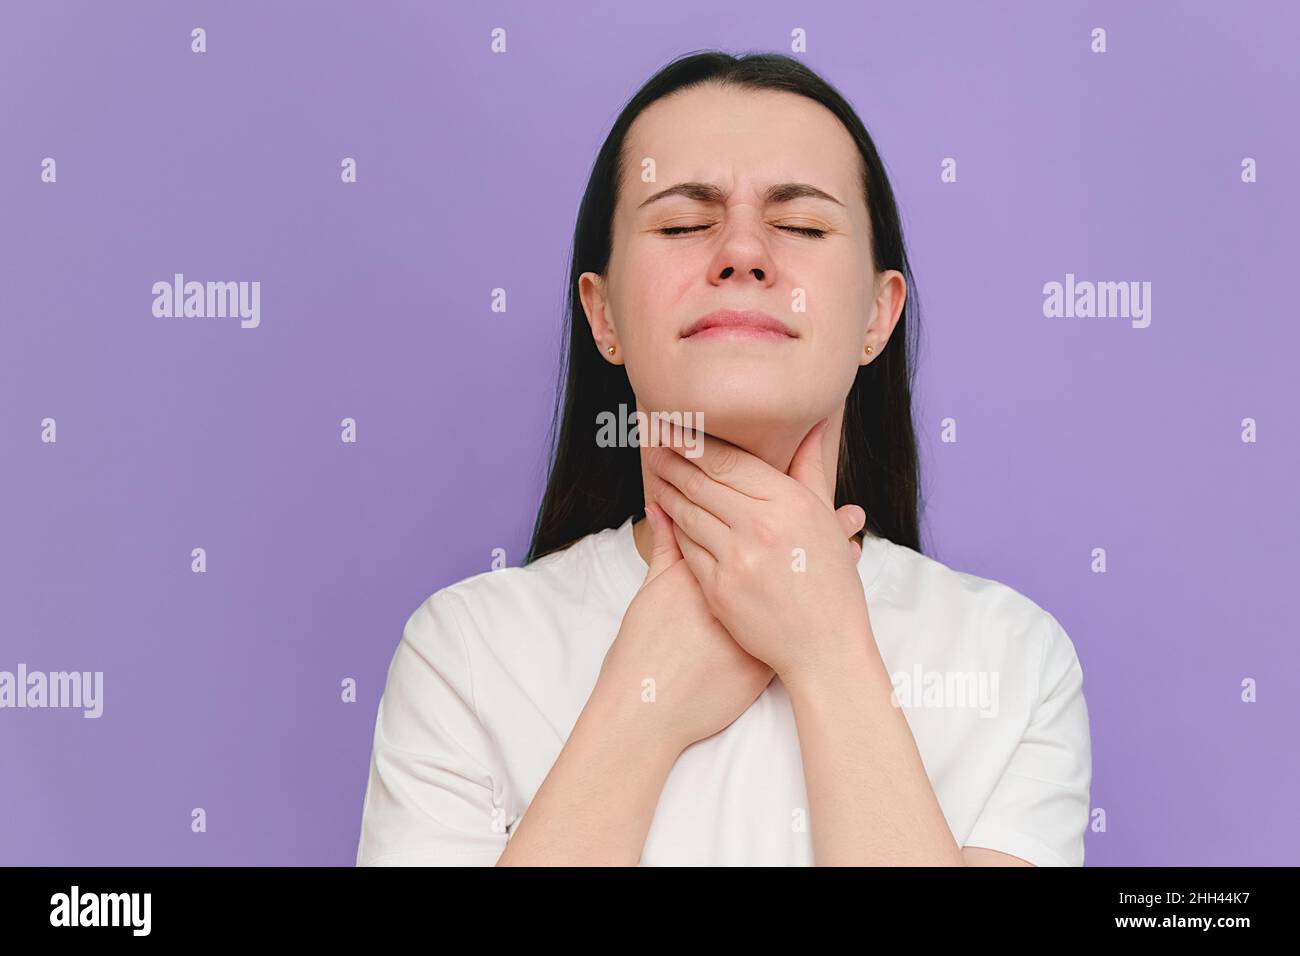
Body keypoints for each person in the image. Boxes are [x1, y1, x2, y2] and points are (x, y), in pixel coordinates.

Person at [355, 51, 1092, 867]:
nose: (743, 253)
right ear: (605, 317)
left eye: (803, 226)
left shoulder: (1011, 660)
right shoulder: (464, 651)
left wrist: (829, 651)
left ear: (877, 318)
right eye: (681, 224)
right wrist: (642, 704)